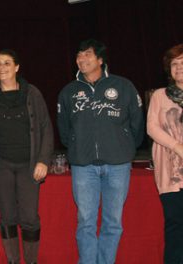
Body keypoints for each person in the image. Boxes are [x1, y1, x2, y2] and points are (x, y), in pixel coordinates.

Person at [57, 39, 144, 264]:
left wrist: (123, 148)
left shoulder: (123, 86)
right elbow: (64, 130)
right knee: (85, 221)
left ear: (100, 60)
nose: (81, 59)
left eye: (87, 54)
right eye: (78, 55)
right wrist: (78, 147)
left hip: (118, 164)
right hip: (83, 166)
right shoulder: (68, 91)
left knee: (112, 222)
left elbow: (137, 125)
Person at [0, 49, 53, 264]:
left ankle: (31, 262)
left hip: (29, 165)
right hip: (1, 165)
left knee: (29, 218)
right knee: (7, 217)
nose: (2, 68)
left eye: (7, 63)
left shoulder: (32, 93)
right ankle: (12, 261)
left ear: (17, 67)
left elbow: (46, 128)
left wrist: (43, 160)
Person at [147, 43, 183, 264]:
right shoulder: (159, 95)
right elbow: (152, 128)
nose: (178, 67)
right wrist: (178, 147)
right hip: (171, 175)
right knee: (175, 227)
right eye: (174, 64)